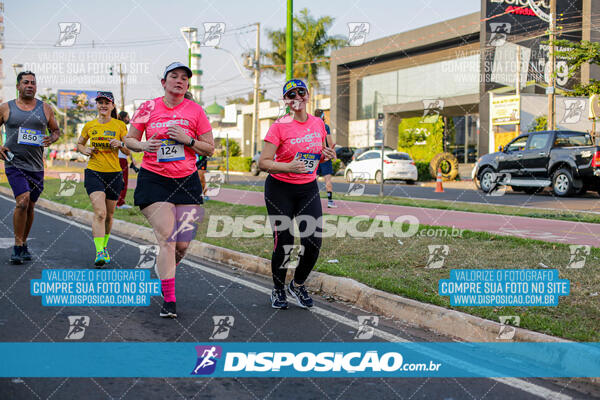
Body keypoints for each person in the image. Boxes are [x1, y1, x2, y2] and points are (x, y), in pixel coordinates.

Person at [125, 62, 214, 318]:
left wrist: (189, 141)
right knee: (167, 238)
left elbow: (209, 148)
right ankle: (170, 299)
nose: (179, 80)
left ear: (187, 85)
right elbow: (129, 139)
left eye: (184, 78)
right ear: (163, 82)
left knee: (182, 245)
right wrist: (144, 146)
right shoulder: (148, 107)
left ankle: (164, 272)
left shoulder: (196, 110)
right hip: (154, 179)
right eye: (173, 76)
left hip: (186, 180)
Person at [258, 79, 335, 309]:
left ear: (308, 95)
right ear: (286, 101)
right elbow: (263, 162)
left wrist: (326, 154)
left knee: (313, 241)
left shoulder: (318, 123)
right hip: (279, 187)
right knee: (285, 241)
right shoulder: (279, 126)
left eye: (301, 92)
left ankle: (298, 284)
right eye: (291, 94)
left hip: (307, 188)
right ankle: (279, 289)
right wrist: (288, 167)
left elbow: (317, 154)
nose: (297, 97)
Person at [0, 71, 61, 264]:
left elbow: (56, 130)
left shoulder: (46, 108)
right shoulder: (5, 108)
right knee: (22, 201)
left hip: (36, 166)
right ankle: (17, 247)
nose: (30, 85)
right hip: (14, 163)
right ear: (18, 86)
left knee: (31, 205)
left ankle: (23, 242)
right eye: (25, 82)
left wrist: (51, 138)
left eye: (33, 83)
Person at [77, 91, 129, 267]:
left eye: (107, 102)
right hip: (94, 172)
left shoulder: (120, 126)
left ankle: (104, 246)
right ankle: (99, 251)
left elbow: (129, 150)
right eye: (100, 102)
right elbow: (80, 143)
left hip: (114, 173)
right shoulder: (89, 126)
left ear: (113, 105)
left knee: (109, 215)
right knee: (100, 212)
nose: (103, 105)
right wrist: (84, 150)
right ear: (97, 105)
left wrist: (121, 144)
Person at [314, 109, 336, 208]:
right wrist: (333, 154)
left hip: (315, 156)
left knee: (313, 179)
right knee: (327, 180)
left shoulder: (312, 126)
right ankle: (330, 201)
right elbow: (330, 143)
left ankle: (310, 199)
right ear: (323, 116)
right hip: (325, 156)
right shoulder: (325, 126)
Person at [116, 110, 137, 209]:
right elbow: (127, 145)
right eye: (127, 117)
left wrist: (132, 159)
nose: (129, 119)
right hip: (122, 158)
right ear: (123, 118)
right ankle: (120, 203)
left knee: (115, 181)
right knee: (124, 180)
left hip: (116, 157)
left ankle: (115, 202)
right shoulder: (122, 127)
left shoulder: (115, 125)